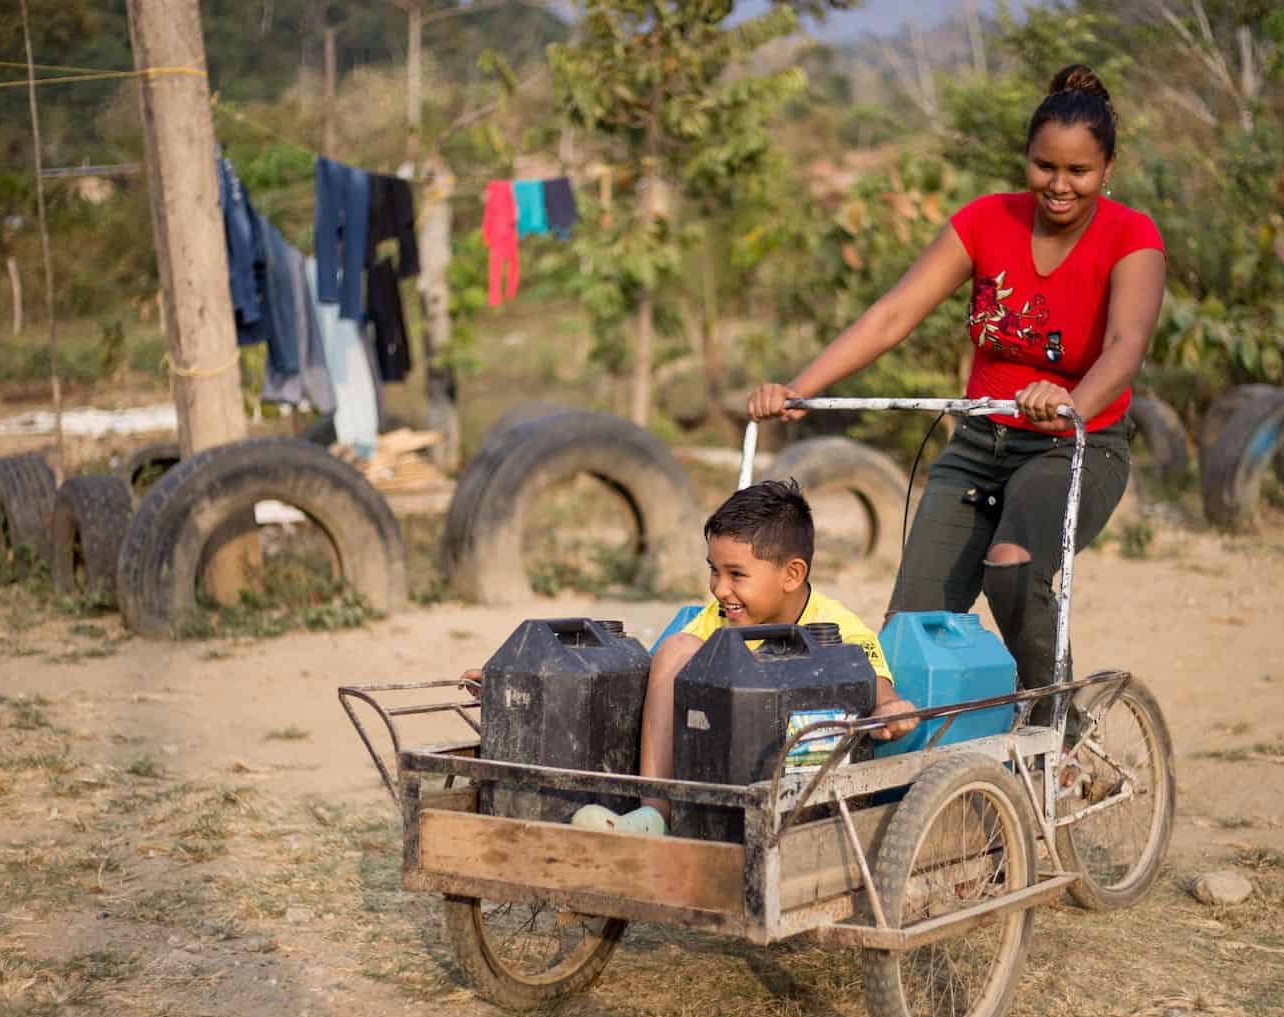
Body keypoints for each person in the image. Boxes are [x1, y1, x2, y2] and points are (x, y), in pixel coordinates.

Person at [748, 64, 1165, 702]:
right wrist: (800, 388)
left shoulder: (1130, 235)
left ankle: (1060, 728)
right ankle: (922, 761)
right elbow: (892, 315)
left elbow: (1125, 346)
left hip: (1076, 446)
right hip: (980, 444)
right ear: (1026, 160)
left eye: (1078, 172)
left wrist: (1069, 404)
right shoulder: (984, 222)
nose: (1059, 185)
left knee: (1014, 568)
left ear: (1109, 169)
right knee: (910, 627)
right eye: (1043, 167)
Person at [461, 479, 916, 835]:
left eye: (736, 574)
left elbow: (875, 684)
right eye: (714, 571)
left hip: (800, 788)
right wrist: (521, 680)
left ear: (792, 574)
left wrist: (890, 707)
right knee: (677, 647)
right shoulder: (713, 621)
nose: (719, 589)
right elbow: (650, 677)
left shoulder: (837, 628)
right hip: (720, 778)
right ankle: (653, 814)